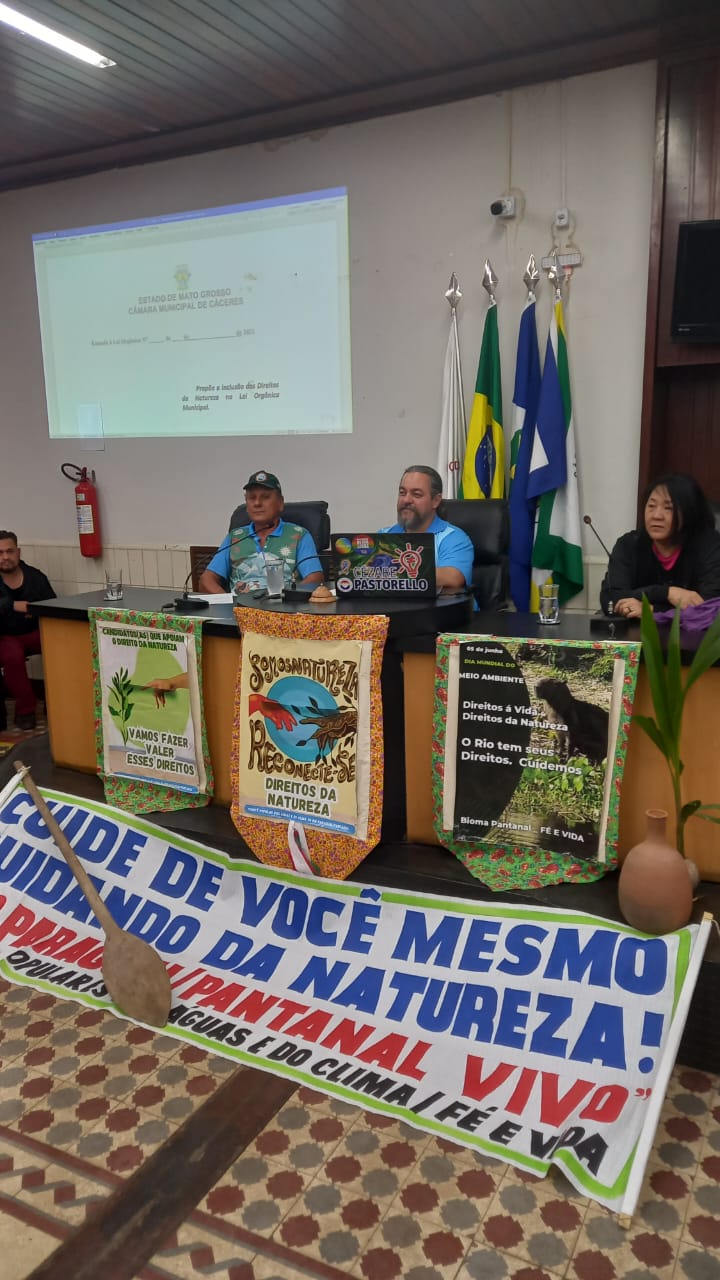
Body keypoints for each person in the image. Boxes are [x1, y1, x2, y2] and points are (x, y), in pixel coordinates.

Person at [600, 473, 720, 618]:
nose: (656, 515)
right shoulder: (629, 544)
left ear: (689, 512)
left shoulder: (711, 546)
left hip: (694, 632)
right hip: (635, 630)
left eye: (668, 508)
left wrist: (652, 610)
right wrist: (667, 593)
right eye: (651, 506)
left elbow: (710, 607)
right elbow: (611, 599)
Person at [199, 470, 323, 595]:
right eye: (252, 498)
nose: (257, 503)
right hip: (239, 605)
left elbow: (314, 579)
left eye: (265, 497)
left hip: (283, 605)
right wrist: (227, 602)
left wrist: (289, 599)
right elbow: (207, 580)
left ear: (280, 503)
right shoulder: (235, 537)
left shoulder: (299, 535)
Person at [381, 465, 474, 593]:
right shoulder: (384, 535)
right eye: (402, 493)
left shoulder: (453, 538)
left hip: (441, 606)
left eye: (416, 494)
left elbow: (453, 577)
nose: (406, 500)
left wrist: (389, 572)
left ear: (435, 501)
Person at [0, 531, 55, 731]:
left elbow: (52, 606)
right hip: (4, 635)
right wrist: (13, 606)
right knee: (12, 656)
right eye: (0, 553)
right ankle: (25, 710)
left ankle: (56, 701)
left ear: (18, 552)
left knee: (60, 645)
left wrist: (35, 610)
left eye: (9, 551)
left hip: (35, 631)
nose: (5, 557)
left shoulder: (36, 578)